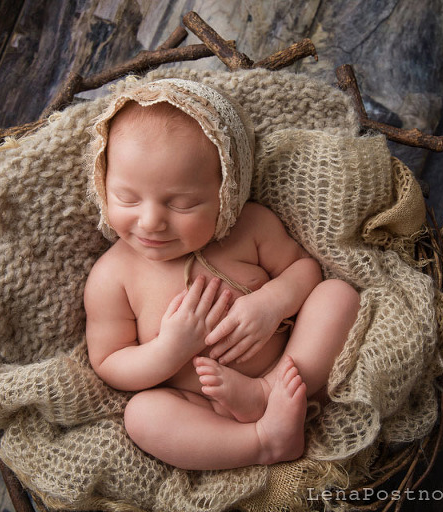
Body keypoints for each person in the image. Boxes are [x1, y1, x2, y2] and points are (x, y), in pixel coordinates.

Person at [84, 79, 360, 471]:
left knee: (337, 295)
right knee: (143, 415)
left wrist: (272, 302)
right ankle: (262, 441)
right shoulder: (112, 276)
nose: (150, 221)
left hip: (290, 370)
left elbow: (305, 270)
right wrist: (169, 350)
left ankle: (266, 393)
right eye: (126, 198)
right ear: (103, 185)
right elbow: (109, 361)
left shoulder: (251, 227)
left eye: (181, 204)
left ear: (227, 191)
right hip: (201, 404)